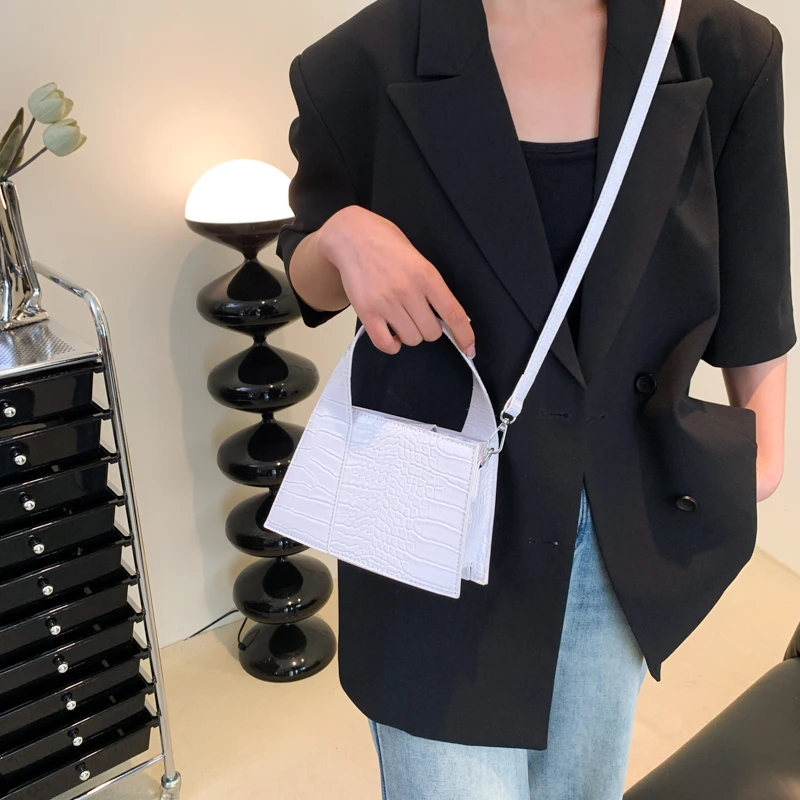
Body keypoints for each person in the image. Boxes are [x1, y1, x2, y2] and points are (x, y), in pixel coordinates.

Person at [276, 0, 796, 797]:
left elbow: (753, 276)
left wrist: (761, 453)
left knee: (582, 786)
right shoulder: (360, 59)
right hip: (432, 516)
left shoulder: (719, 46)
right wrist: (341, 235)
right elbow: (308, 276)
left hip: (613, 517)